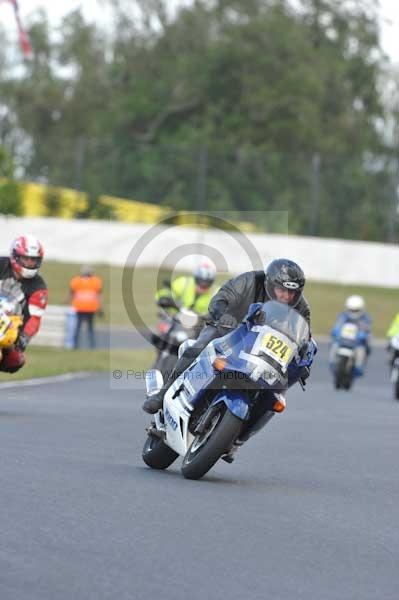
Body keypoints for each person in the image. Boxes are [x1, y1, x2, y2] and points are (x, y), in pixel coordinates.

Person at [143, 258, 312, 414]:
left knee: (274, 395)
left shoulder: (301, 308)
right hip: (228, 329)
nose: (286, 296)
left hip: (261, 349)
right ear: (270, 283)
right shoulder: (249, 281)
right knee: (199, 348)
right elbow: (222, 296)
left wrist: (305, 356)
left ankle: (240, 435)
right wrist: (223, 314)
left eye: (292, 292)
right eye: (282, 290)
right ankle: (162, 395)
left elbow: (304, 337)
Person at [0, 235, 48, 373]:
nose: (29, 263)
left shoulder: (39, 287)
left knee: (16, 361)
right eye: (25, 258)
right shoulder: (2, 264)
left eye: (33, 260)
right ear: (15, 256)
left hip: (11, 328)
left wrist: (23, 339)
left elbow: (35, 318)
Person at [330, 295, 371, 375]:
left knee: (362, 349)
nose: (353, 312)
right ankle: (332, 362)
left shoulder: (365, 318)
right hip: (343, 340)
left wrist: (365, 335)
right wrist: (335, 332)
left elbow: (367, 330)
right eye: (351, 310)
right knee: (334, 344)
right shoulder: (343, 316)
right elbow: (337, 326)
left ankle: (359, 366)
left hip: (357, 342)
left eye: (356, 310)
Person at [69, 265, 103, 349]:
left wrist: (67, 303)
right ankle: (92, 346)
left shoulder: (76, 281)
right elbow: (99, 295)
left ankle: (75, 346)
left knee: (78, 327)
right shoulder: (96, 281)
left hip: (80, 308)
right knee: (90, 329)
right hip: (90, 308)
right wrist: (100, 307)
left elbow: (71, 294)